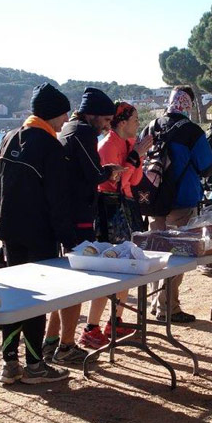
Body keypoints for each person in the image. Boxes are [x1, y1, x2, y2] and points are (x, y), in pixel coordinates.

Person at [0, 82, 76, 384]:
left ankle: (9, 363)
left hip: (10, 231)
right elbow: (58, 199)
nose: (65, 121)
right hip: (40, 234)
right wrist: (71, 241)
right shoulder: (50, 145)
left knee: (15, 297)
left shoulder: (8, 137)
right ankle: (35, 364)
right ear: (53, 114)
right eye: (63, 115)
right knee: (36, 300)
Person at [44, 87, 123, 362]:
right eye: (105, 120)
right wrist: (110, 171)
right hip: (79, 215)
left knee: (65, 280)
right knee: (77, 282)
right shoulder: (84, 132)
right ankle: (66, 346)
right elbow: (92, 174)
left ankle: (50, 340)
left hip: (63, 212)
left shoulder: (67, 128)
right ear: (93, 115)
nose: (107, 126)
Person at [138, 86, 212, 322]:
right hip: (182, 201)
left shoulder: (151, 125)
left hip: (152, 201)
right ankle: (168, 308)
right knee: (177, 256)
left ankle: (156, 303)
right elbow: (206, 166)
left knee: (156, 254)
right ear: (189, 105)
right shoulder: (192, 131)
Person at [78, 101, 153, 349]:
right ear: (122, 123)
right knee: (108, 269)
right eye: (135, 120)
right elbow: (117, 179)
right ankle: (91, 328)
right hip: (110, 210)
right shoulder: (109, 145)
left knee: (128, 265)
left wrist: (136, 156)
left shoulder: (127, 143)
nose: (138, 124)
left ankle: (115, 320)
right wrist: (135, 157)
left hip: (125, 207)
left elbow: (135, 178)